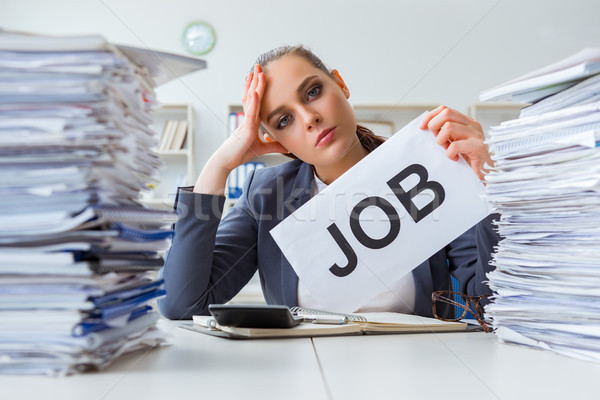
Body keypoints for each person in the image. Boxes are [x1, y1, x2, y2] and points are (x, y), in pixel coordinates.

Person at [157, 45, 500, 320]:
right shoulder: (266, 196)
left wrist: (486, 186)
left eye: (313, 92)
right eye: (285, 119)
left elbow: (490, 303)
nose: (310, 118)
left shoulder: (428, 168)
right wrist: (218, 166)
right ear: (275, 138)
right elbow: (181, 304)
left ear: (341, 84)